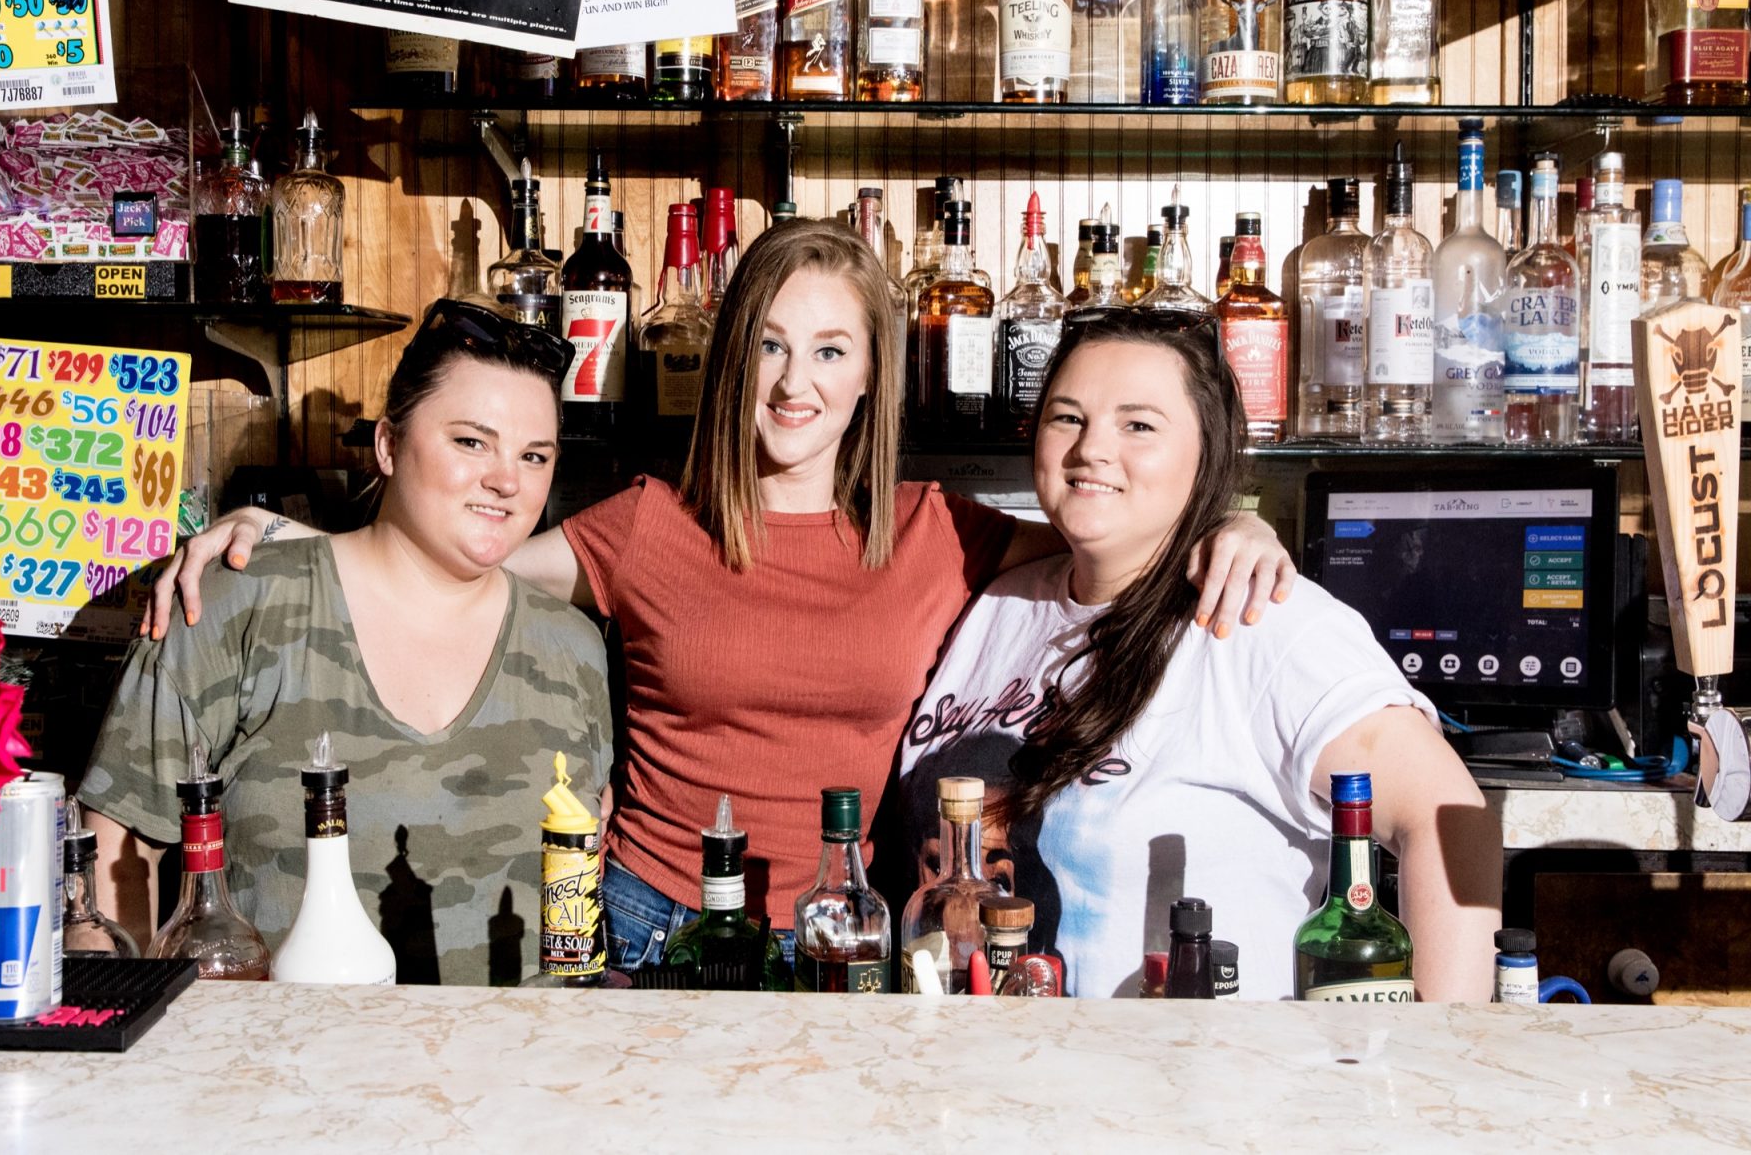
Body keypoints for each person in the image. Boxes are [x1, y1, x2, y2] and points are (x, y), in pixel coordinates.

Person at [149, 221, 1297, 973]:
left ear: (871, 375)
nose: (797, 384)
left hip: (851, 934)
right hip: (646, 923)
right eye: (771, 348)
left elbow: (1108, 526)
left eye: (833, 352)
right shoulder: (648, 521)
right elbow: (457, 548)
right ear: (733, 354)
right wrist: (295, 533)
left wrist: (1229, 521)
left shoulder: (938, 530)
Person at [900, 309, 1501, 1001]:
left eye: (1139, 425)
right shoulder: (1000, 604)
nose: (1092, 448)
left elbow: (1449, 816)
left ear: (1206, 452)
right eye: (1068, 417)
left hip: (1188, 1097)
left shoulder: (1256, 617)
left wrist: (1445, 1048)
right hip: (974, 1085)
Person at [80, 300, 613, 987]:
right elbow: (115, 854)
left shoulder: (571, 649)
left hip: (512, 1079)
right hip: (276, 1079)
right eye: (471, 442)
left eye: (533, 455)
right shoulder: (240, 604)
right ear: (388, 444)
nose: (507, 479)